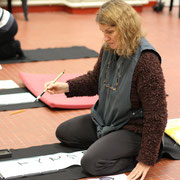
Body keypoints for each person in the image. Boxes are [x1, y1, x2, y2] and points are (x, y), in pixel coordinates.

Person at [45, 0, 168, 179]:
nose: (106, 37)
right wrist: (65, 87)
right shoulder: (109, 48)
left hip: (133, 128)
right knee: (64, 133)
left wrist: (146, 159)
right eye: (103, 32)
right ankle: (109, 143)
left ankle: (142, 152)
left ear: (126, 28)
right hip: (106, 119)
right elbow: (95, 80)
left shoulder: (147, 61)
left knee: (91, 163)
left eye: (110, 32)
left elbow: (157, 115)